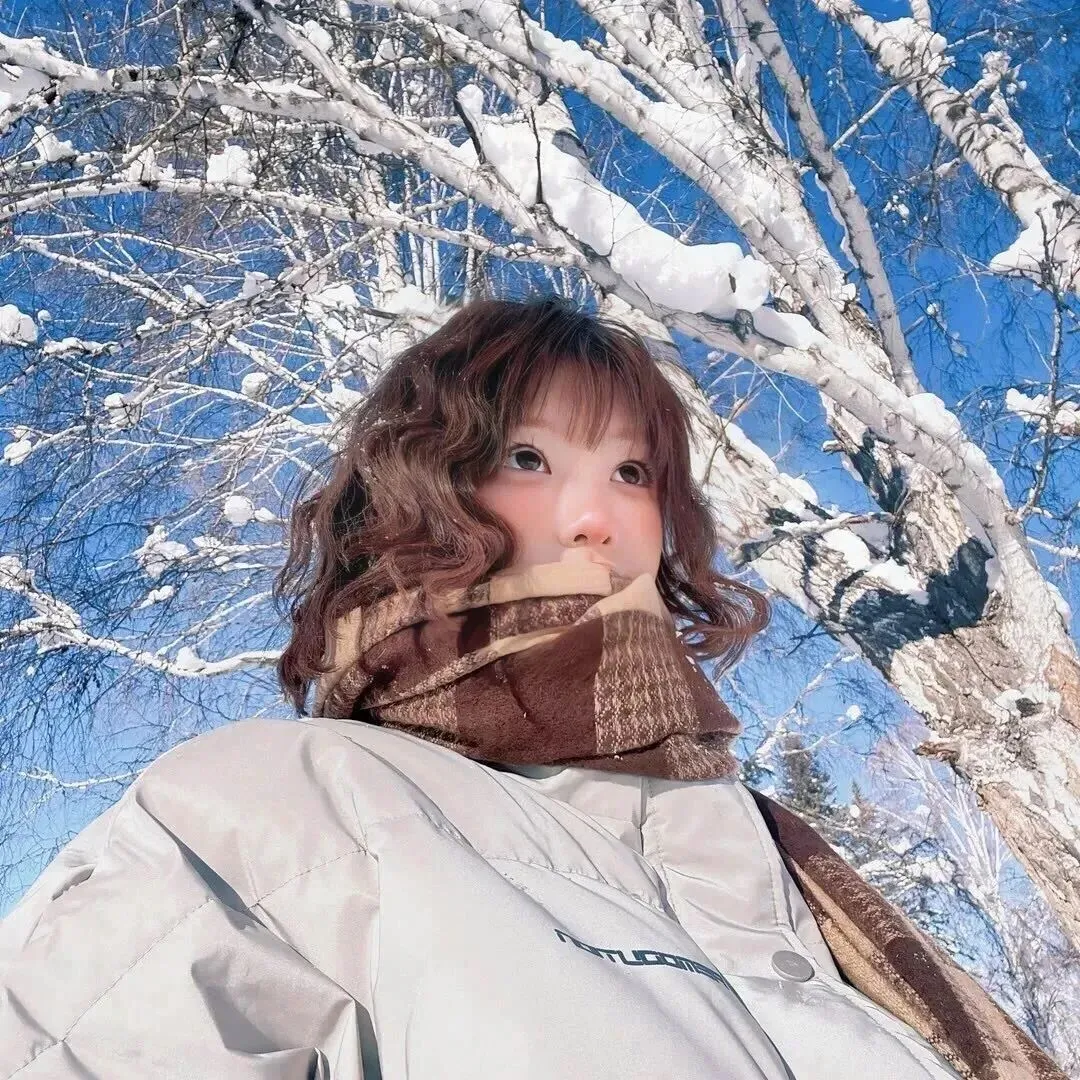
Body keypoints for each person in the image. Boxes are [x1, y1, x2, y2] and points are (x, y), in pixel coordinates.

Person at [0, 296, 1063, 1080]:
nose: (597, 519)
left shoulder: (768, 852)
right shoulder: (283, 811)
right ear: (414, 486)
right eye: (526, 457)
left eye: (631, 473)